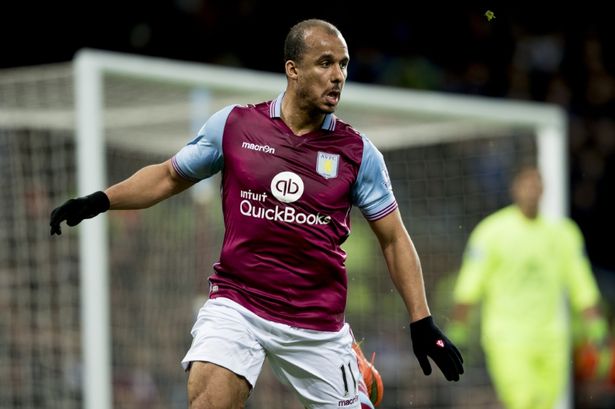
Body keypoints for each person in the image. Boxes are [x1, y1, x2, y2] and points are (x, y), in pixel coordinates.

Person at [49, 18, 463, 409]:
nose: (338, 75)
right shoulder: (234, 126)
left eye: (343, 64)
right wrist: (101, 200)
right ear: (293, 69)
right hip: (238, 303)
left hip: (316, 324)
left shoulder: (358, 153)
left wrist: (421, 320)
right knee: (208, 397)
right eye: (325, 63)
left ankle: (352, 370)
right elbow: (167, 177)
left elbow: (393, 238)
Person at [448, 165, 608, 409]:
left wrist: (596, 326)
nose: (532, 191)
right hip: (507, 336)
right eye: (526, 185)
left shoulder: (564, 233)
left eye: (536, 185)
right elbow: (469, 284)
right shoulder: (491, 232)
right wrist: (457, 329)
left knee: (545, 404)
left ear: (544, 190)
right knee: (522, 401)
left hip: (552, 338)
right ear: (515, 189)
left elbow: (581, 283)